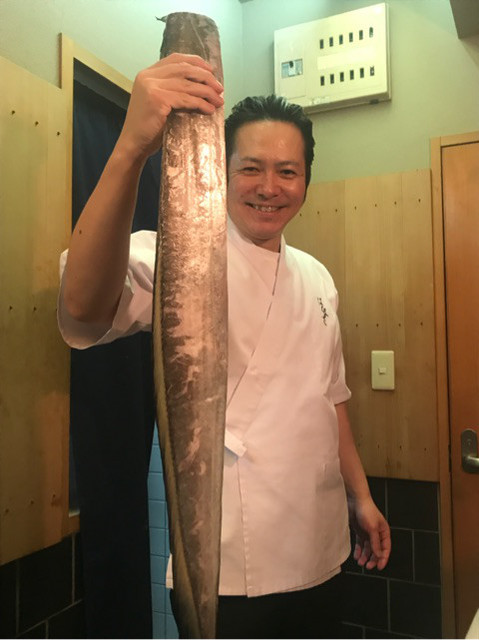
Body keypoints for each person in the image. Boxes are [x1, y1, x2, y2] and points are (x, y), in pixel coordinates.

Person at [58, 53, 391, 639]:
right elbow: (83, 305)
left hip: (323, 547)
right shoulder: (183, 251)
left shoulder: (317, 276)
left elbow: (331, 400)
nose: (269, 187)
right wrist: (132, 147)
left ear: (306, 181)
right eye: (251, 168)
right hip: (228, 566)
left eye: (287, 171)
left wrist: (360, 497)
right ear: (222, 170)